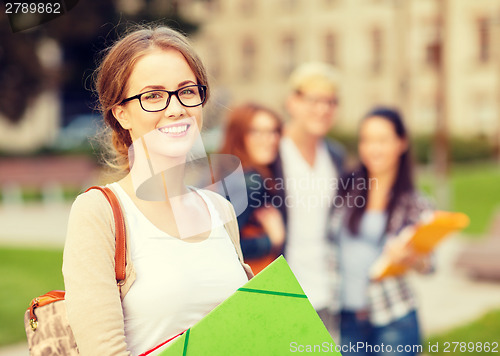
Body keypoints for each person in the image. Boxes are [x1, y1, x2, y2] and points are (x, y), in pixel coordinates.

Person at [62, 26, 253, 356]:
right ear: (121, 114)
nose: (176, 108)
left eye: (187, 91)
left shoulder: (219, 209)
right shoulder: (99, 212)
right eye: (153, 96)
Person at [330, 107, 434, 355]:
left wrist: (411, 259)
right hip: (348, 317)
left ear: (402, 143)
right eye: (366, 140)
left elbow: (430, 265)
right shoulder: (347, 188)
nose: (373, 148)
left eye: (382, 140)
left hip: (394, 317)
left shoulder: (415, 203)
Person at [272, 62, 345, 332]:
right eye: (314, 100)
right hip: (283, 293)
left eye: (331, 102)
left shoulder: (335, 156)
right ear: (293, 102)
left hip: (327, 292)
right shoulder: (273, 152)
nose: (323, 109)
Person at [219, 103, 285, 274]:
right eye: (256, 131)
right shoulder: (249, 182)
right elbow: (225, 245)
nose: (270, 139)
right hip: (250, 283)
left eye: (273, 131)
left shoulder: (226, 175)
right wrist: (271, 240)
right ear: (238, 135)